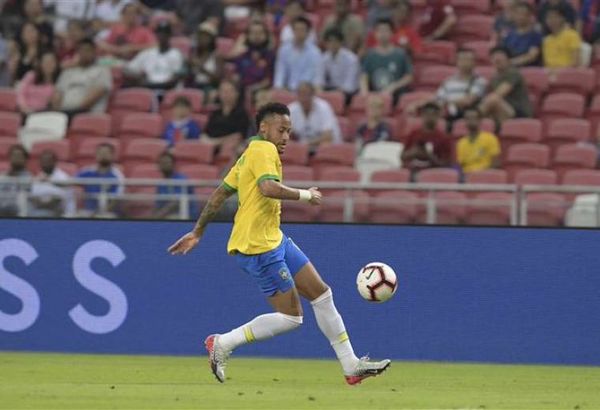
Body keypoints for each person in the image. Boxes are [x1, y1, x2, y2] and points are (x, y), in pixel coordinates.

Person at [168, 102, 391, 385]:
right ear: (264, 128)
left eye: (289, 131)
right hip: (258, 248)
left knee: (322, 294)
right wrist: (306, 195)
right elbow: (267, 188)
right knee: (291, 318)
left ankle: (351, 365)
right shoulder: (263, 150)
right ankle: (223, 343)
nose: (286, 137)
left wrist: (198, 231)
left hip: (274, 237)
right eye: (281, 130)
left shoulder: (250, 152)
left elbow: (219, 195)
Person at [51, 39, 112, 115]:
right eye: (81, 50)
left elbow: (91, 100)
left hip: (85, 114)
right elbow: (57, 94)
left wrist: (71, 112)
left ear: (94, 52)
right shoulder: (68, 72)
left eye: (87, 50)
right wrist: (56, 113)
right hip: (62, 113)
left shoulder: (102, 71)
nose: (84, 53)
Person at [361, 18, 413, 106]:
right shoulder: (370, 55)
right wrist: (365, 92)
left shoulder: (400, 54)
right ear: (375, 34)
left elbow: (409, 77)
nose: (382, 34)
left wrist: (393, 86)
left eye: (386, 31)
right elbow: (364, 76)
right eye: (379, 31)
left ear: (392, 33)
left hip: (396, 96)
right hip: (376, 97)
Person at [479, 46, 532, 125]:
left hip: (519, 111)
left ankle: (474, 118)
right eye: (494, 59)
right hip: (503, 109)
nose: (496, 61)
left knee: (494, 100)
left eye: (500, 59)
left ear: (508, 59)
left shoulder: (513, 73)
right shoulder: (494, 77)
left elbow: (499, 94)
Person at [124, 21, 184, 90]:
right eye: (160, 33)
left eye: (165, 33)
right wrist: (139, 78)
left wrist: (161, 85)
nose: (162, 35)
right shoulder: (148, 53)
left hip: (167, 89)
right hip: (148, 88)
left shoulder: (176, 54)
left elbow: (176, 77)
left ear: (169, 35)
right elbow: (128, 69)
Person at [273, 16, 323, 92]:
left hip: (307, 91)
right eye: (296, 29)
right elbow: (280, 72)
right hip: (288, 90)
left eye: (302, 30)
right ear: (292, 31)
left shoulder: (315, 52)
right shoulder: (284, 50)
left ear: (308, 32)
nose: (299, 32)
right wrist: (278, 87)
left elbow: (317, 77)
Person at [288, 82, 342, 151]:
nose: (303, 98)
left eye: (306, 94)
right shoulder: (292, 109)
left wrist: (306, 144)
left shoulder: (324, 107)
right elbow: (285, 134)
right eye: (300, 94)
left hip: (327, 149)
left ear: (313, 94)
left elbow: (328, 137)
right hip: (303, 149)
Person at [401, 102, 452, 173]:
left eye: (433, 114)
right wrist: (413, 152)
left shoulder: (444, 138)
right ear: (422, 115)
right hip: (413, 171)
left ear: (438, 116)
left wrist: (430, 156)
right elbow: (402, 156)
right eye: (427, 114)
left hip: (434, 173)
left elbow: (447, 164)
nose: (430, 117)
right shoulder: (413, 134)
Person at [76, 143, 124, 217]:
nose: (103, 155)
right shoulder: (87, 172)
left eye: (106, 153)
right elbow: (71, 183)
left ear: (113, 156)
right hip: (88, 211)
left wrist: (100, 213)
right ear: (96, 155)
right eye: (100, 153)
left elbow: (116, 199)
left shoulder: (117, 176)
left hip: (108, 213)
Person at [229, 20, 275, 95]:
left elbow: (269, 81)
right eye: (253, 33)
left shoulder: (271, 56)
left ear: (266, 35)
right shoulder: (241, 56)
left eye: (260, 32)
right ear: (247, 36)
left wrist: (254, 89)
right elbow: (236, 77)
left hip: (262, 92)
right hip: (242, 91)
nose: (257, 35)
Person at [201, 79, 250, 148]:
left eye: (229, 91)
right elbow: (204, 134)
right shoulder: (215, 113)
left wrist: (215, 142)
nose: (225, 94)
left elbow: (238, 137)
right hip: (209, 147)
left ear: (236, 93)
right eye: (223, 91)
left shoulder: (242, 114)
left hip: (228, 150)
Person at [28, 150, 75, 217]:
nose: (45, 163)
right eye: (43, 161)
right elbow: (33, 196)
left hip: (61, 213)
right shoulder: (38, 177)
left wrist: (45, 203)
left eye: (48, 161)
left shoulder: (63, 177)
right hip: (39, 209)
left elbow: (59, 199)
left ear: (55, 162)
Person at [456, 108, 501, 174]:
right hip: (466, 177)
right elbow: (461, 165)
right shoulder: (461, 143)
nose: (471, 120)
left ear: (480, 120)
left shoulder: (490, 138)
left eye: (474, 118)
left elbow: (496, 163)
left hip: (485, 176)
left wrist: (483, 174)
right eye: (467, 118)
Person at [188, 22, 224, 103]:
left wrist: (202, 69)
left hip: (209, 87)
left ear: (212, 39)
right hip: (194, 86)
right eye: (200, 35)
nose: (202, 39)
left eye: (206, 36)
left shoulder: (217, 56)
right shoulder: (193, 54)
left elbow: (218, 79)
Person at [154, 151, 195, 219]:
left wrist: (158, 216)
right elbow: (158, 205)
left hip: (185, 215)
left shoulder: (181, 179)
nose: (164, 165)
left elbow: (176, 203)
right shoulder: (161, 183)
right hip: (166, 216)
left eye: (167, 163)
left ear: (173, 164)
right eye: (162, 163)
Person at [322, 28, 360, 102]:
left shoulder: (351, 59)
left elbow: (349, 85)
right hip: (331, 90)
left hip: (349, 93)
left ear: (341, 42)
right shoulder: (324, 58)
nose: (332, 44)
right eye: (329, 42)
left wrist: (334, 94)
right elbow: (319, 81)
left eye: (335, 41)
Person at [501, 2, 543, 67]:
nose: (520, 17)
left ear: (529, 16)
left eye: (523, 14)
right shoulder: (508, 34)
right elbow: (503, 52)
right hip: (509, 69)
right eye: (518, 14)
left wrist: (510, 62)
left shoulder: (535, 35)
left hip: (528, 71)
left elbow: (532, 56)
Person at [0, 145, 31, 217]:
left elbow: (24, 200)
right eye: (14, 155)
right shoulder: (2, 176)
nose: (16, 158)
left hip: (17, 214)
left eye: (19, 156)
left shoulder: (28, 178)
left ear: (25, 159)